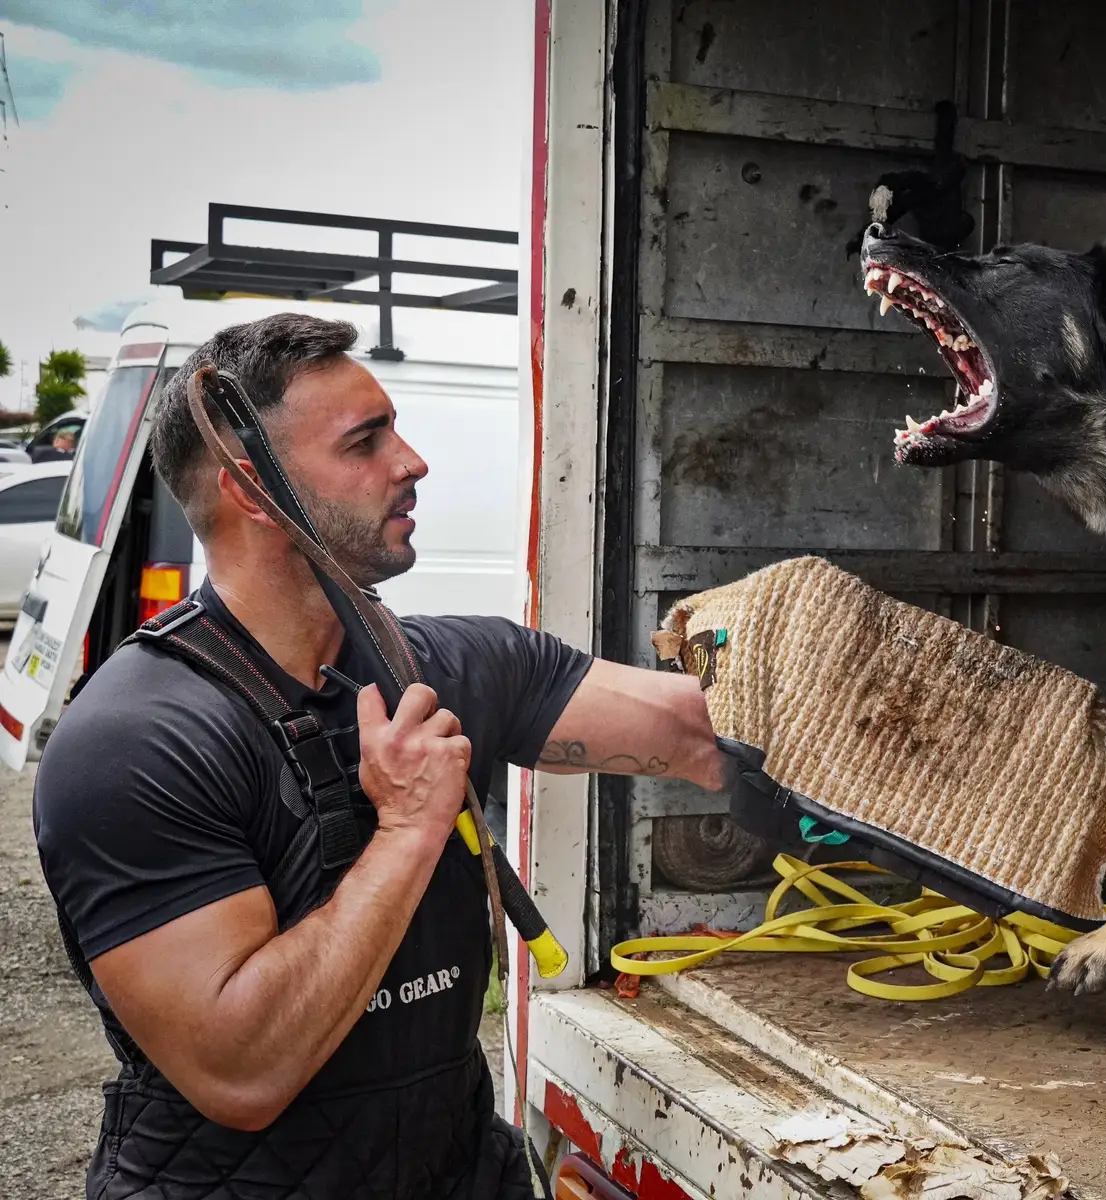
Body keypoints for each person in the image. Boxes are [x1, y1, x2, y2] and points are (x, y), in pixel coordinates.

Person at [32, 314, 726, 1198]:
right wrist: (405, 829)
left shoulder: (449, 666)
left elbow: (697, 730)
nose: (412, 462)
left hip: (453, 1171)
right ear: (252, 488)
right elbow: (239, 1072)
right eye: (366, 442)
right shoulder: (136, 740)